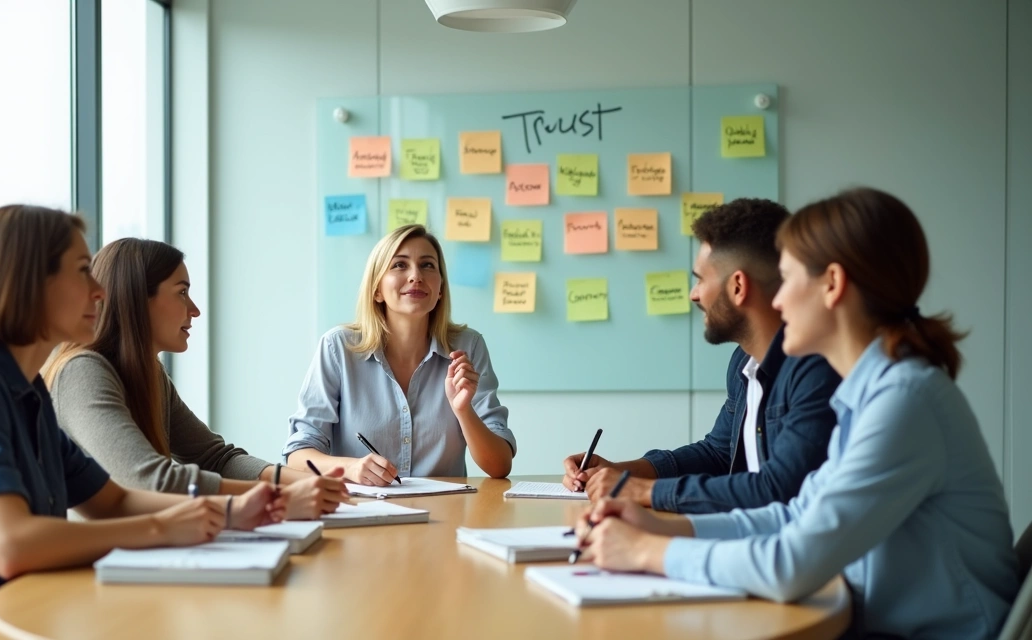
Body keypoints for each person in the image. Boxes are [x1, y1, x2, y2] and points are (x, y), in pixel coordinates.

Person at [577, 188, 1019, 639]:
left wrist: (648, 552)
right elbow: (793, 516)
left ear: (832, 284)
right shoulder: (870, 395)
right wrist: (663, 527)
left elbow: (791, 565)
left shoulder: (904, 402)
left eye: (786, 280)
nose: (778, 300)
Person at [0, 206, 283, 632]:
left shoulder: (28, 390)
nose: (99, 291)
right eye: (81, 272)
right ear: (28, 284)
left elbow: (113, 501)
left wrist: (232, 511)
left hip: (33, 611)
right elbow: (9, 545)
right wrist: (162, 527)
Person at [562, 198, 840, 513]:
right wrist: (623, 471)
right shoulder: (744, 362)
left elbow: (776, 489)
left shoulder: (815, 369)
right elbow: (718, 454)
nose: (693, 294)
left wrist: (641, 490)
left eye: (700, 279)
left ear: (738, 287)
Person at [45, 239, 347, 519]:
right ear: (137, 298)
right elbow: (151, 481)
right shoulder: (81, 372)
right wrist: (279, 496)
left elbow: (214, 457)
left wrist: (310, 483)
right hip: (96, 567)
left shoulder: (149, 372)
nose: (195, 310)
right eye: (181, 292)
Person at [283, 224, 515, 485]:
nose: (416, 276)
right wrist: (351, 468)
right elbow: (298, 454)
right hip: (362, 514)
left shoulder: (468, 347)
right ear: (377, 289)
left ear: (440, 290)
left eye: (428, 265)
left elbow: (499, 466)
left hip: (446, 515)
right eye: (399, 265)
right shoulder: (338, 347)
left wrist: (463, 411)